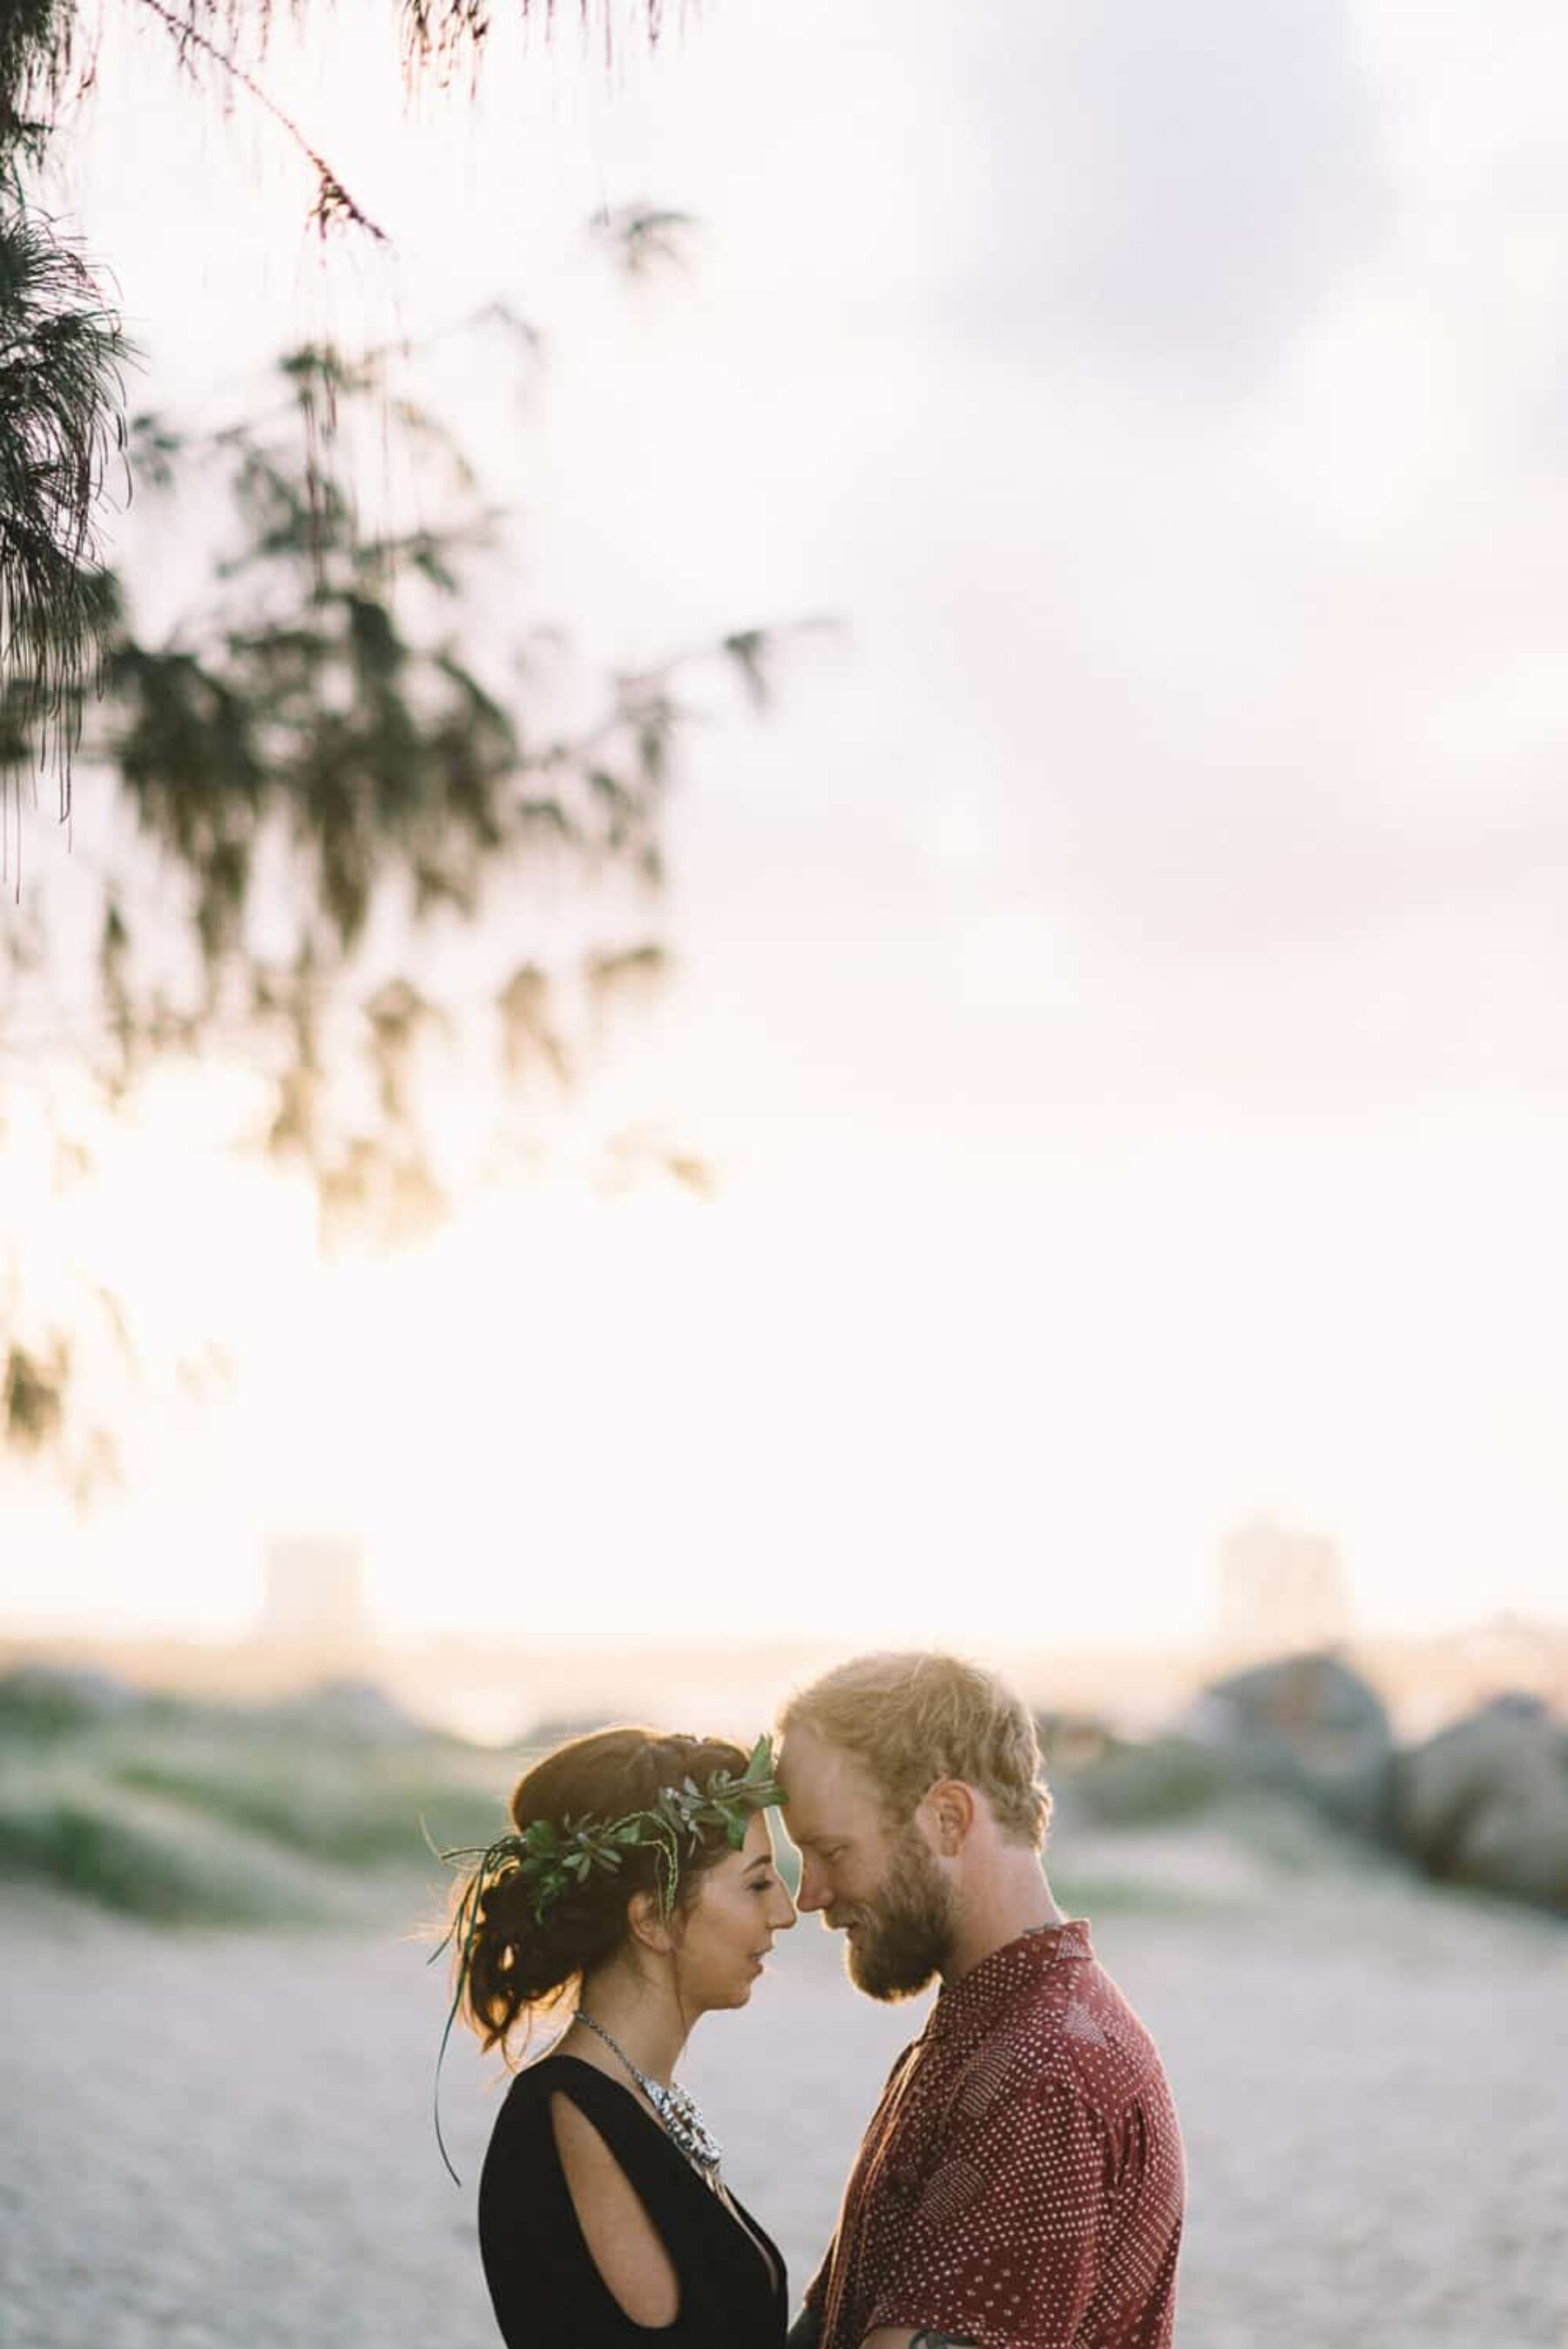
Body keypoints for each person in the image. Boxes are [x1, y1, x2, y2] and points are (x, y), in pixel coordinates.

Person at [777, 1653, 1185, 2349]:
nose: (808, 1894)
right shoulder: (994, 2029)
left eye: (832, 1851)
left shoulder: (1043, 2075)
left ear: (948, 1818)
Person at [438, 1724, 798, 2349]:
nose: (786, 1913)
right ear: (653, 1918)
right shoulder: (568, 2116)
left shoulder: (634, 2096)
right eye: (758, 1883)